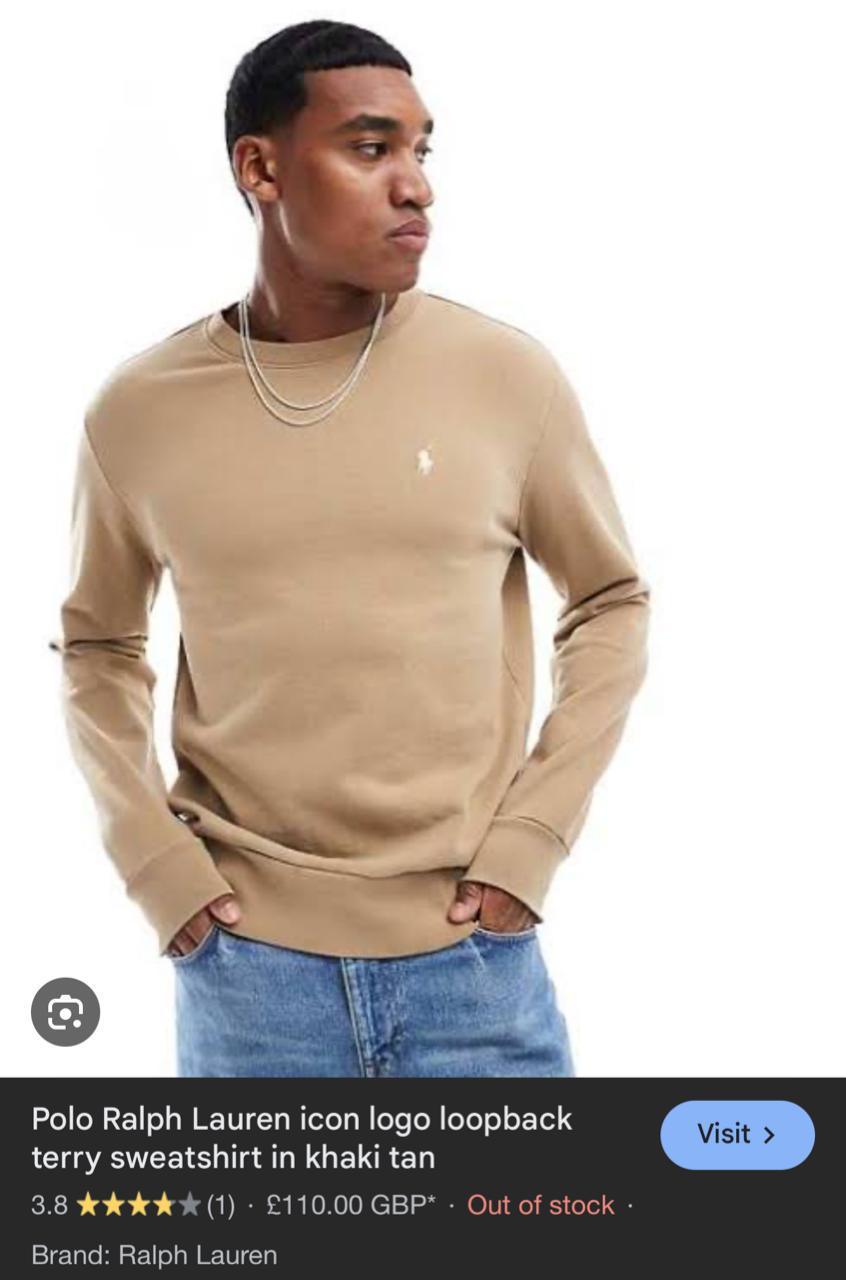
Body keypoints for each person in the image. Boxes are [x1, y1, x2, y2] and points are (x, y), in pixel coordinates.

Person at [49, 20, 651, 1077]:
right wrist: (154, 863)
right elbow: (98, 645)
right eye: (372, 148)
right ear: (260, 168)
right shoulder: (138, 413)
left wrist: (535, 835)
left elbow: (609, 598)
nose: (416, 186)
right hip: (248, 981)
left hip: (473, 961)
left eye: (421, 150)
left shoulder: (506, 378)